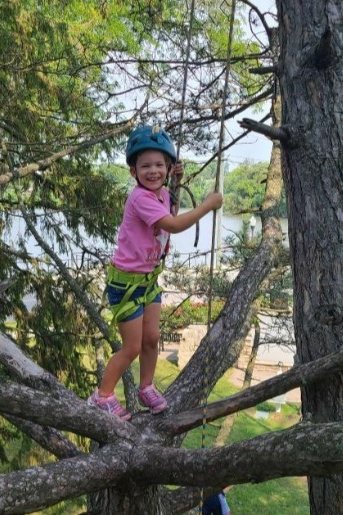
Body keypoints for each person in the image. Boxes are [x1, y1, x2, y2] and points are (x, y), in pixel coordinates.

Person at [88, 125, 224, 420]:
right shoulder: (140, 198)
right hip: (126, 284)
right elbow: (172, 225)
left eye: (160, 165)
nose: (153, 171)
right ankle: (102, 396)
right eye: (145, 165)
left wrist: (176, 183)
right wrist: (208, 205)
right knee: (132, 347)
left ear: (169, 167)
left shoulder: (161, 194)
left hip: (149, 280)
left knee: (152, 338)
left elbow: (170, 209)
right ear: (133, 171)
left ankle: (146, 387)